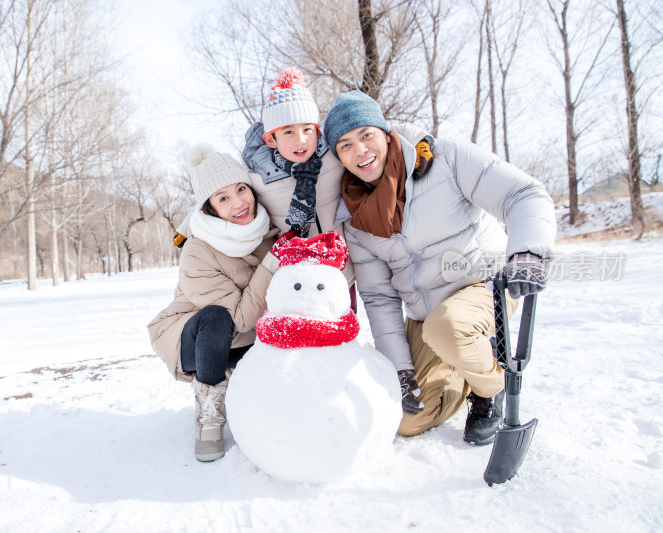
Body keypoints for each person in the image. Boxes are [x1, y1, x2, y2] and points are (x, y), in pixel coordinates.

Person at [323, 90, 556, 445]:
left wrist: (527, 253)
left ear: (386, 134)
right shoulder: (354, 218)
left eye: (366, 135)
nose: (360, 151)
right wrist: (401, 369)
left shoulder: (447, 158)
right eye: (345, 145)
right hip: (425, 317)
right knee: (405, 419)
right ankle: (468, 362)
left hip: (480, 289)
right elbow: (379, 296)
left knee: (447, 327)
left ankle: (489, 389)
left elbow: (522, 194)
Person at [147, 146, 290, 462]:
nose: (239, 203)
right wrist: (272, 262)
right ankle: (209, 411)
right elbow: (237, 319)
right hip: (196, 335)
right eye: (223, 198)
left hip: (248, 334)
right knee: (215, 318)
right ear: (209, 207)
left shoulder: (266, 229)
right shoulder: (197, 250)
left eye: (241, 189)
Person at [241, 67, 431, 304]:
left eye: (307, 129)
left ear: (317, 130)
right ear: (271, 139)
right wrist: (186, 231)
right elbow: (223, 191)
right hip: (294, 278)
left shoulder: (331, 156)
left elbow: (376, 129)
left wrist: (419, 140)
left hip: (340, 273)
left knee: (343, 335)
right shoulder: (259, 176)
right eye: (288, 132)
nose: (301, 140)